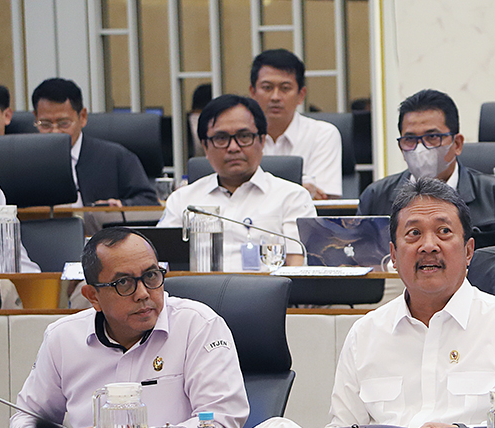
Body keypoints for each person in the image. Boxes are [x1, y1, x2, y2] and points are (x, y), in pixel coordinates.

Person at [329, 177, 495, 428]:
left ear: (469, 251)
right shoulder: (364, 334)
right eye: (413, 234)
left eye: (444, 231)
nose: (428, 246)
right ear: (394, 256)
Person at [8, 227, 249, 428]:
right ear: (93, 296)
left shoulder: (197, 325)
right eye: (123, 283)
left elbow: (220, 423)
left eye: (151, 276)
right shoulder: (62, 337)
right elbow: (26, 416)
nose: (143, 293)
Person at [357, 89, 495, 248]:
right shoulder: (375, 197)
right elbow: (358, 260)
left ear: (457, 144)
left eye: (432, 136)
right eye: (410, 139)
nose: (420, 149)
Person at [158, 94, 316, 271]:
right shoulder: (182, 200)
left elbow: (299, 266)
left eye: (244, 136)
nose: (233, 147)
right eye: (221, 138)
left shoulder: (292, 197)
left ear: (262, 140)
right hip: (196, 296)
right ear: (205, 146)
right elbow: (160, 264)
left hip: (268, 297)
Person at [31, 78, 159, 207]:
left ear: (83, 117)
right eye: (45, 124)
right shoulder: (27, 162)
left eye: (63, 123)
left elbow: (149, 201)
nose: (55, 132)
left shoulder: (115, 157)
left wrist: (120, 205)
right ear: (35, 117)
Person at [250, 49, 343, 199]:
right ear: (252, 92)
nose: (275, 97)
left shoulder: (322, 134)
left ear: (301, 95)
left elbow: (324, 200)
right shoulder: (240, 138)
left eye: (285, 88)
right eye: (267, 88)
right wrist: (300, 187)